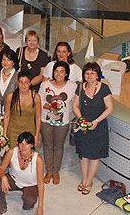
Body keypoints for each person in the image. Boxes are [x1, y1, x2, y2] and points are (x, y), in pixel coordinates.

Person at [72, 62, 114, 195]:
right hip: (83, 126)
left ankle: (89, 181)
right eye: (87, 73)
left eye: (93, 73)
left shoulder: (104, 89)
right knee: (83, 155)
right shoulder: (80, 87)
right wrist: (81, 119)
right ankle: (84, 179)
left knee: (94, 156)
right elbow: (75, 106)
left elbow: (110, 108)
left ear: (97, 75)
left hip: (98, 126)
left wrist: (96, 121)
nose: (89, 76)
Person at [39, 61, 77, 185]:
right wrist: (50, 107)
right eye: (56, 71)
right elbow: (39, 101)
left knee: (58, 147)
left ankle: (56, 171)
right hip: (46, 120)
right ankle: (49, 170)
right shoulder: (45, 85)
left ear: (66, 73)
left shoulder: (73, 86)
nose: (58, 74)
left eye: (62, 71)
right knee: (47, 146)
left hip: (63, 122)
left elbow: (75, 104)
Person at [0, 132, 44, 215]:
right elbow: (0, 168)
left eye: (27, 144)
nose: (23, 147)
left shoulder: (38, 159)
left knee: (29, 200)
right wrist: (3, 177)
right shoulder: (12, 152)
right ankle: (0, 209)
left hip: (30, 184)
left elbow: (41, 183)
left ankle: (28, 203)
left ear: (32, 145)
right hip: (14, 179)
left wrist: (40, 206)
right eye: (21, 143)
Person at [4, 71, 41, 148]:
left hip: (29, 132)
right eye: (21, 82)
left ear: (30, 83)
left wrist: (37, 135)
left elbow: (38, 117)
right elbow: (7, 116)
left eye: (26, 82)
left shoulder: (36, 97)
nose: (23, 85)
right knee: (13, 156)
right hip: (13, 132)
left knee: (28, 157)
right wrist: (4, 134)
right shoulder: (11, 96)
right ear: (18, 83)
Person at [0, 49, 19, 115]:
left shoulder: (18, 76)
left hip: (12, 112)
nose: (5, 62)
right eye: (4, 59)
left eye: (9, 60)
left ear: (13, 62)